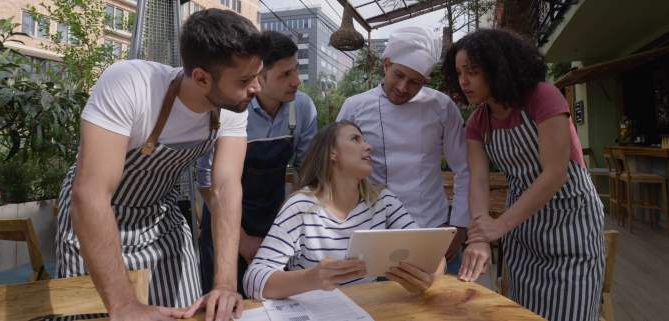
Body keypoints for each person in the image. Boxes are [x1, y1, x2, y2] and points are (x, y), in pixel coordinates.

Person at [55, 9, 268, 321]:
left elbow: (225, 188)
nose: (257, 89)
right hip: (95, 217)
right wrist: (124, 304)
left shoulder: (233, 104)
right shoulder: (130, 84)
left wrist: (225, 284)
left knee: (185, 313)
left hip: (159, 218)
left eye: (258, 75)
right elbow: (91, 193)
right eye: (246, 80)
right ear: (201, 77)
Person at [445, 29, 604, 321]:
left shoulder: (542, 97)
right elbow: (477, 181)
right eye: (458, 73)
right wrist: (480, 236)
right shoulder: (478, 123)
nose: (463, 81)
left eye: (472, 71)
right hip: (523, 231)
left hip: (571, 222)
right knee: (522, 312)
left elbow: (555, 173)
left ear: (497, 65)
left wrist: (500, 225)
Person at [243, 121, 443, 299]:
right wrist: (311, 278)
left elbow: (434, 255)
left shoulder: (383, 201)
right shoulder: (301, 207)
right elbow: (253, 280)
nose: (368, 147)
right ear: (332, 153)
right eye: (355, 139)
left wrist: (430, 278)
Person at [337, 26, 470, 273]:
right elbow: (336, 168)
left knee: (443, 307)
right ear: (386, 64)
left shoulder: (442, 107)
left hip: (432, 228)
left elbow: (464, 168)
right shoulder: (354, 106)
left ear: (426, 82)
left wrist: (459, 227)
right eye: (398, 75)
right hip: (374, 230)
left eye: (415, 82)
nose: (403, 87)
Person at [197, 31, 318, 294]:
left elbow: (307, 174)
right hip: (222, 217)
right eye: (284, 75)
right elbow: (208, 182)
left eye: (295, 70)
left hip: (273, 220)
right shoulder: (230, 109)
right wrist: (240, 240)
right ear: (259, 78)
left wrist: (285, 231)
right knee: (223, 301)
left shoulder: (303, 109)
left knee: (273, 300)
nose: (296, 81)